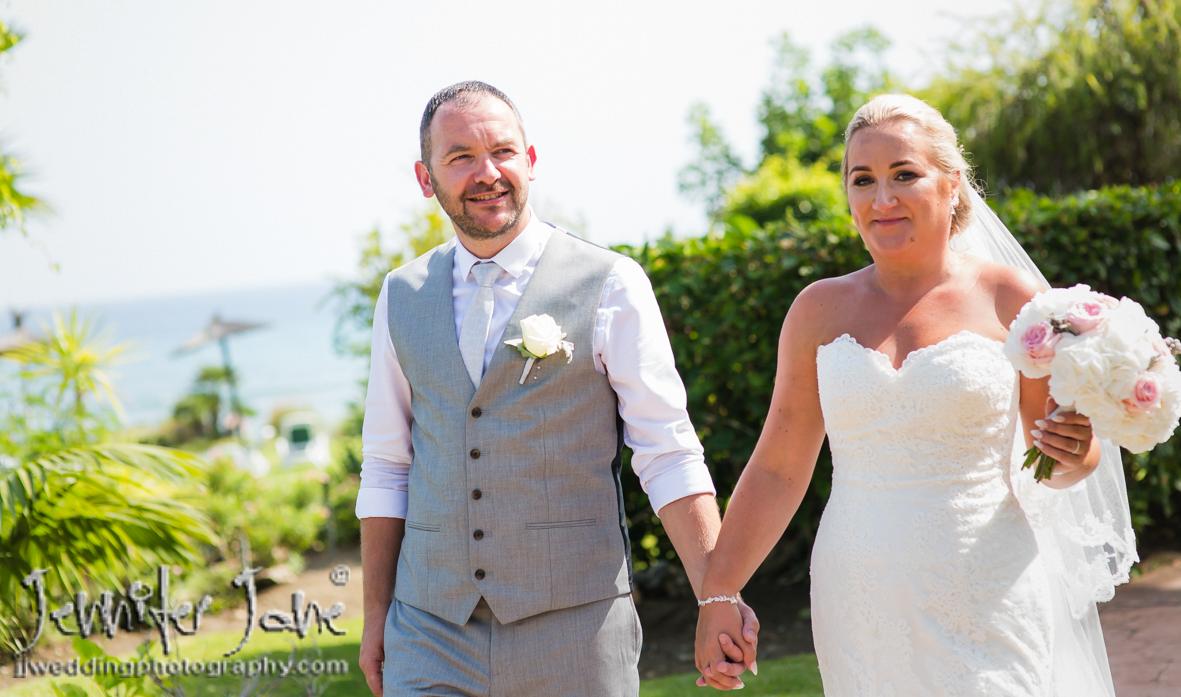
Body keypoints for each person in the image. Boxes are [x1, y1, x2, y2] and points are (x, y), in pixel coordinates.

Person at [693, 94, 1133, 695]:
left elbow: (1058, 460)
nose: (882, 200)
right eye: (863, 180)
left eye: (904, 175)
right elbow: (777, 468)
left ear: (952, 186)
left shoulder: (1011, 298)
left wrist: (1075, 449)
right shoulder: (817, 311)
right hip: (859, 597)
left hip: (987, 587)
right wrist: (719, 592)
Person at [356, 81, 758, 696]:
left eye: (503, 151)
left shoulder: (611, 283)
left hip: (577, 631)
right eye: (460, 157)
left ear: (531, 160)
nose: (487, 173)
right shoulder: (400, 295)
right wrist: (375, 616)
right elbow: (388, 465)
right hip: (429, 631)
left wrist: (718, 595)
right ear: (425, 177)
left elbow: (667, 451)